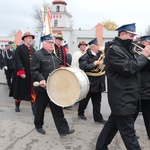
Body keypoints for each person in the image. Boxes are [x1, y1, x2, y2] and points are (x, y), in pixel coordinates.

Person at [96, 23, 150, 150]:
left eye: (133, 36)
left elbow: (139, 66)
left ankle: (100, 147)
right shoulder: (114, 50)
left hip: (128, 97)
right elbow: (128, 68)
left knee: (111, 126)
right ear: (122, 34)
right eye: (130, 36)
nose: (133, 39)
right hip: (122, 98)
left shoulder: (127, 49)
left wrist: (143, 56)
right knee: (129, 135)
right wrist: (143, 56)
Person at [30, 34, 75, 136]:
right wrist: (41, 79)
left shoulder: (54, 56)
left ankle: (63, 130)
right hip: (42, 88)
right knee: (40, 109)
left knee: (57, 109)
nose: (51, 45)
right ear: (44, 43)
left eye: (52, 43)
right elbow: (34, 70)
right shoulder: (38, 55)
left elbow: (56, 71)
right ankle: (38, 126)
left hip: (53, 88)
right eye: (49, 43)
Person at [77, 38, 106, 124]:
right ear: (93, 47)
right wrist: (94, 64)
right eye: (97, 45)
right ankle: (80, 112)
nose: (99, 47)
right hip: (89, 81)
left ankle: (98, 118)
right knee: (85, 100)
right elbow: (83, 67)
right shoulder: (84, 57)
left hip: (99, 81)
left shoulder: (101, 55)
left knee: (97, 101)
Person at [9, 32, 36, 114]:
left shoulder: (33, 49)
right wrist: (21, 71)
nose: (30, 39)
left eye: (31, 38)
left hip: (31, 73)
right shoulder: (19, 48)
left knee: (33, 91)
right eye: (28, 38)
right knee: (19, 90)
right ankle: (17, 104)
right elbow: (17, 61)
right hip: (22, 73)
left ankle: (34, 109)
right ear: (24, 38)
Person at [138, 35, 150, 140]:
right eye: (148, 43)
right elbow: (138, 66)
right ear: (144, 42)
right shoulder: (137, 49)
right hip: (142, 87)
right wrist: (145, 56)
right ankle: (129, 133)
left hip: (147, 87)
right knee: (133, 113)